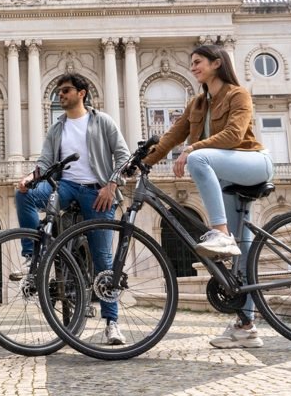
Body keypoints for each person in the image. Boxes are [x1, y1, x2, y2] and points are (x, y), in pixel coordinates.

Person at [142, 44, 274, 349]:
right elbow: (169, 138)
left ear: (217, 63)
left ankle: (219, 231)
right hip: (227, 177)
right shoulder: (197, 104)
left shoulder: (237, 94)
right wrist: (139, 163)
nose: (193, 67)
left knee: (198, 159)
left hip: (253, 162)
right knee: (241, 257)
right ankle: (246, 326)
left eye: (198, 62)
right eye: (191, 63)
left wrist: (191, 149)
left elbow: (235, 136)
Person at [16, 73, 130, 345]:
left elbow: (124, 157)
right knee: (25, 196)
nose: (60, 95)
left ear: (82, 92)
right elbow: (44, 162)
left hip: (98, 191)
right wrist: (31, 179)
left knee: (103, 260)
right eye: (59, 91)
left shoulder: (102, 121)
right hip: (65, 187)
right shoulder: (57, 128)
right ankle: (33, 255)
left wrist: (111, 185)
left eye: (66, 90)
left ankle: (112, 323)